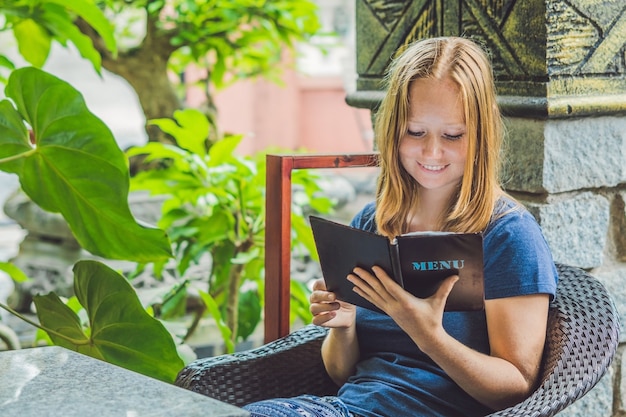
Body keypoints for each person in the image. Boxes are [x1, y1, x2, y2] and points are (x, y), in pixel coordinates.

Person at [243, 36, 558, 417]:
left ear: (481, 131)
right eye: (415, 132)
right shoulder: (373, 222)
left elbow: (514, 389)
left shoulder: (507, 235)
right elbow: (342, 375)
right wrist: (342, 326)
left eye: (453, 135)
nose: (431, 152)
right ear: (394, 128)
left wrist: (430, 335)